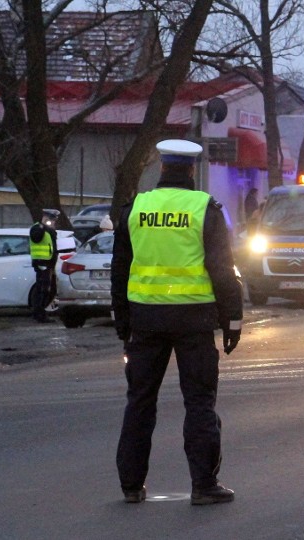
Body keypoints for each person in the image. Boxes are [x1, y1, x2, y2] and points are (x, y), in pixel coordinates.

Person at [111, 139, 244, 505]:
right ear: (191, 169)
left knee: (139, 402)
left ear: (162, 168)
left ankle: (131, 486)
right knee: (199, 403)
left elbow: (120, 269)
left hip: (145, 321)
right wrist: (232, 320)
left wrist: (122, 322)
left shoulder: (136, 208)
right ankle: (204, 485)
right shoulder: (204, 209)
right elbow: (222, 270)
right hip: (194, 322)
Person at [29, 209, 59, 323]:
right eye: (52, 219)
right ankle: (39, 314)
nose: (54, 222)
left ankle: (40, 312)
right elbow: (36, 237)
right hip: (42, 263)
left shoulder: (49, 230)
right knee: (43, 289)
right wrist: (44, 226)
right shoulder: (37, 228)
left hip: (49, 263)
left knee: (49, 289)